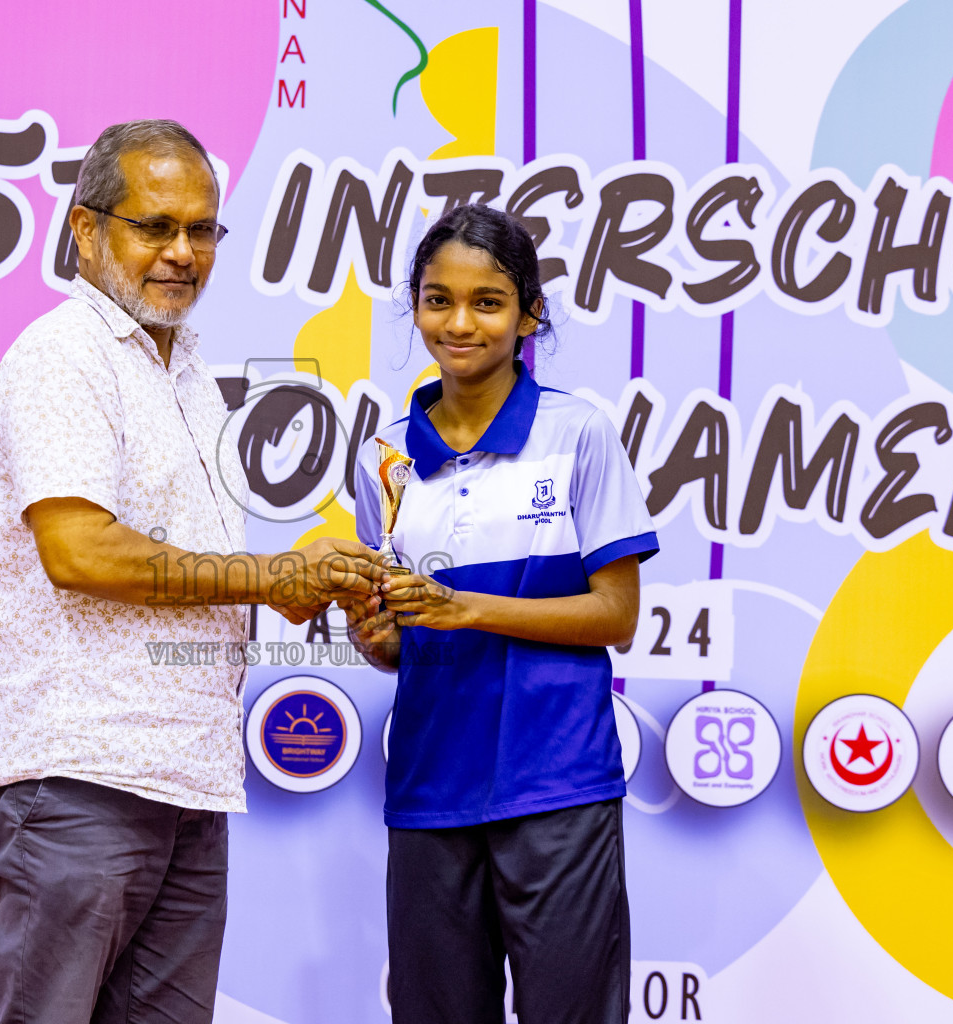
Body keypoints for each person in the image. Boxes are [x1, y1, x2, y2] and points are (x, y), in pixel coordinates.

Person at [0, 119, 386, 1024]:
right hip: (78, 775)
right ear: (86, 231)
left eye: (202, 230)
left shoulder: (183, 369)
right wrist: (268, 576)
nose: (182, 253)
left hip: (186, 780)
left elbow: (189, 569)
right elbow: (79, 551)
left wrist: (328, 585)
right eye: (155, 227)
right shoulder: (64, 354)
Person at [343, 203, 658, 1024]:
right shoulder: (385, 453)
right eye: (437, 299)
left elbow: (616, 615)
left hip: (556, 782)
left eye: (488, 302)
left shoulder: (577, 432)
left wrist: (468, 607)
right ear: (413, 306)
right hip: (428, 785)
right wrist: (379, 636)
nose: (459, 322)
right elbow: (397, 641)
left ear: (529, 314)